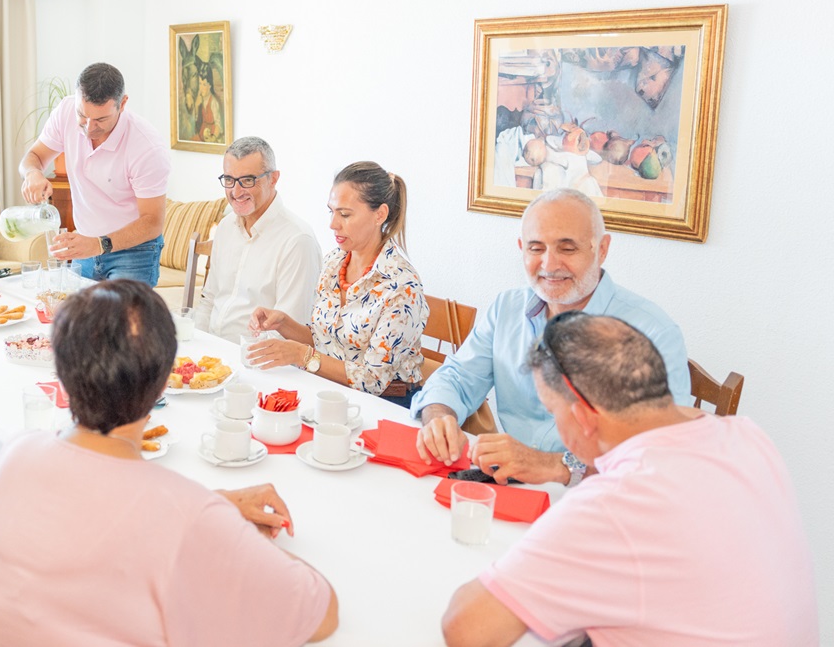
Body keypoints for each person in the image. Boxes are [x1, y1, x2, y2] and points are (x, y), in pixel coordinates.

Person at [0, 280, 338, 646]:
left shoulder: (19, 452)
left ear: (62, 374)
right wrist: (227, 524)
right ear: (162, 383)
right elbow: (321, 615)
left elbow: (106, 511)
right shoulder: (186, 515)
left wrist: (214, 506)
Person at [441, 313, 818, 646]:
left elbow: (466, 630)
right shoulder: (747, 435)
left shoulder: (616, 504)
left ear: (584, 416)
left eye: (553, 411)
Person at [412, 188, 690, 486]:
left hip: (598, 498)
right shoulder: (507, 307)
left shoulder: (653, 332)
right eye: (536, 248)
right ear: (521, 248)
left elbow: (661, 453)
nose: (549, 264)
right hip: (507, 486)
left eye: (567, 248)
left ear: (602, 248)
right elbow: (457, 376)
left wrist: (557, 466)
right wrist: (439, 415)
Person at [247, 161, 428, 399]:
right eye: (331, 211)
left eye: (345, 214)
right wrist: (283, 324)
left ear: (379, 214)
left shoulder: (402, 287)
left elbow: (372, 380)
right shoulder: (334, 262)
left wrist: (301, 355)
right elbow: (327, 342)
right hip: (329, 391)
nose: (333, 224)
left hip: (387, 404)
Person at [19, 62, 171, 286]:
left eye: (101, 119)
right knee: (82, 319)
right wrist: (32, 173)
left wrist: (98, 244)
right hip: (86, 246)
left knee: (122, 320)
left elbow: (152, 223)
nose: (89, 128)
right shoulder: (65, 112)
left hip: (134, 252)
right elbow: (34, 157)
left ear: (123, 104)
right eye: (82, 115)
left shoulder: (147, 148)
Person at [193, 136, 322, 342]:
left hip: (258, 362)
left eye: (247, 180)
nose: (235, 192)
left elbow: (289, 331)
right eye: (229, 180)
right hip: (213, 354)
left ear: (273, 179)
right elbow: (209, 300)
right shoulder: (226, 227)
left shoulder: (298, 241)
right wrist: (198, 344)